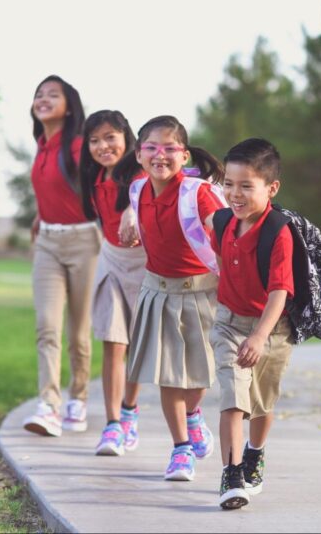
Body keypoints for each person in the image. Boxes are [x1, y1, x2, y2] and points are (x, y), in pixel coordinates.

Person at [113, 115, 225, 481]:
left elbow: (220, 226)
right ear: (139, 154)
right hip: (157, 291)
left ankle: (193, 416)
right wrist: (130, 215)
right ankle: (180, 450)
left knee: (201, 374)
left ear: (185, 155)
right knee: (168, 375)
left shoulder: (198, 193)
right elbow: (135, 204)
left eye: (170, 148)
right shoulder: (138, 189)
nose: (160, 155)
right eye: (151, 148)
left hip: (202, 292)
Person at [209, 138, 295, 510]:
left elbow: (279, 290)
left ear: (271, 188)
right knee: (233, 397)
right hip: (228, 323)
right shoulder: (223, 221)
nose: (234, 194)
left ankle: (255, 452)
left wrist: (260, 336)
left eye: (246, 185)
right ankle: (231, 473)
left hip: (271, 329)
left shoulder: (278, 232)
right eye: (228, 184)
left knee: (261, 402)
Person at [21, 75, 99, 438]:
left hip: (86, 242)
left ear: (70, 107)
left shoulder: (81, 144)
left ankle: (77, 400)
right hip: (48, 244)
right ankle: (48, 405)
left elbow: (102, 183)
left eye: (53, 95)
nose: (43, 99)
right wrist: (41, 214)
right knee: (46, 327)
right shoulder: (41, 144)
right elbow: (52, 187)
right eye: (39, 94)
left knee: (79, 332)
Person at [78, 110, 145, 456]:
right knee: (112, 341)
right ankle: (112, 424)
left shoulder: (141, 173)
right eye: (94, 140)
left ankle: (130, 411)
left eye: (110, 137)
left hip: (145, 266)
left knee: (136, 345)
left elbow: (142, 194)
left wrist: (133, 210)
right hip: (111, 262)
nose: (103, 146)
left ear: (126, 138)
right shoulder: (92, 177)